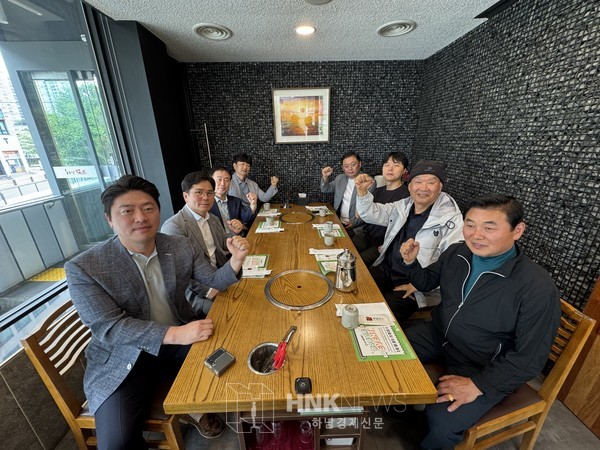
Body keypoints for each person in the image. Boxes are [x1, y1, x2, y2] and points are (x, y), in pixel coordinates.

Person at [65, 175, 250, 448]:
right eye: (127, 211)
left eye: (148, 208)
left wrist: (236, 260)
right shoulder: (85, 267)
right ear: (109, 219)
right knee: (117, 444)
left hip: (180, 343)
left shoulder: (178, 246)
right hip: (124, 357)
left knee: (241, 362)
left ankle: (199, 410)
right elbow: (109, 327)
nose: (141, 217)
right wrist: (176, 334)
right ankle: (193, 408)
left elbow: (213, 280)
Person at [400, 194, 561, 449]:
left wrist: (479, 384)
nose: (476, 235)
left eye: (489, 227)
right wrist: (411, 263)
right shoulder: (457, 253)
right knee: (390, 355)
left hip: (483, 365)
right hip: (439, 335)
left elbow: (530, 358)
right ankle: (397, 412)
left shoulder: (537, 288)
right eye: (470, 224)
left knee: (443, 421)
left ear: (518, 230)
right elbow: (427, 281)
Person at [355, 160, 463, 321]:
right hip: (388, 269)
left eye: (431, 182)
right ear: (410, 186)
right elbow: (371, 213)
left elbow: (454, 264)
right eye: (418, 182)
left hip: (415, 284)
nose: (423, 188)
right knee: (357, 285)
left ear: (440, 187)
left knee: (381, 315)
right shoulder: (404, 205)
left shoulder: (451, 219)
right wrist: (362, 192)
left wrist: (419, 285)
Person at [161, 171, 233, 316]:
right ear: (186, 196)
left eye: (209, 193)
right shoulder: (174, 226)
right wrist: (208, 291)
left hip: (218, 275)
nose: (205, 197)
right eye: (199, 192)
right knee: (228, 311)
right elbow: (178, 274)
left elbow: (223, 242)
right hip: (193, 291)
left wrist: (234, 241)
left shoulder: (213, 218)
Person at [351, 152, 410, 266]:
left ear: (404, 170)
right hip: (366, 236)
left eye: (396, 165)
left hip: (382, 244)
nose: (390, 168)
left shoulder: (406, 196)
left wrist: (389, 246)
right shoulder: (378, 190)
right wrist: (362, 190)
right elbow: (358, 215)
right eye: (386, 165)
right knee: (343, 250)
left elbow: (405, 228)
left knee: (356, 264)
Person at [320, 151, 374, 234]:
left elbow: (368, 208)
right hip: (338, 222)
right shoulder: (340, 178)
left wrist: (354, 223)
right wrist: (325, 176)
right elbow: (325, 189)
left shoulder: (368, 181)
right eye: (346, 166)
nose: (350, 169)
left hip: (356, 228)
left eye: (353, 165)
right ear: (342, 168)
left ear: (360, 164)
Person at [209, 166, 255, 237]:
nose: (223, 183)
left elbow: (245, 220)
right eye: (219, 179)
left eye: (226, 180)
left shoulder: (236, 201)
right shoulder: (205, 204)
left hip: (237, 238)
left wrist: (253, 205)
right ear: (210, 181)